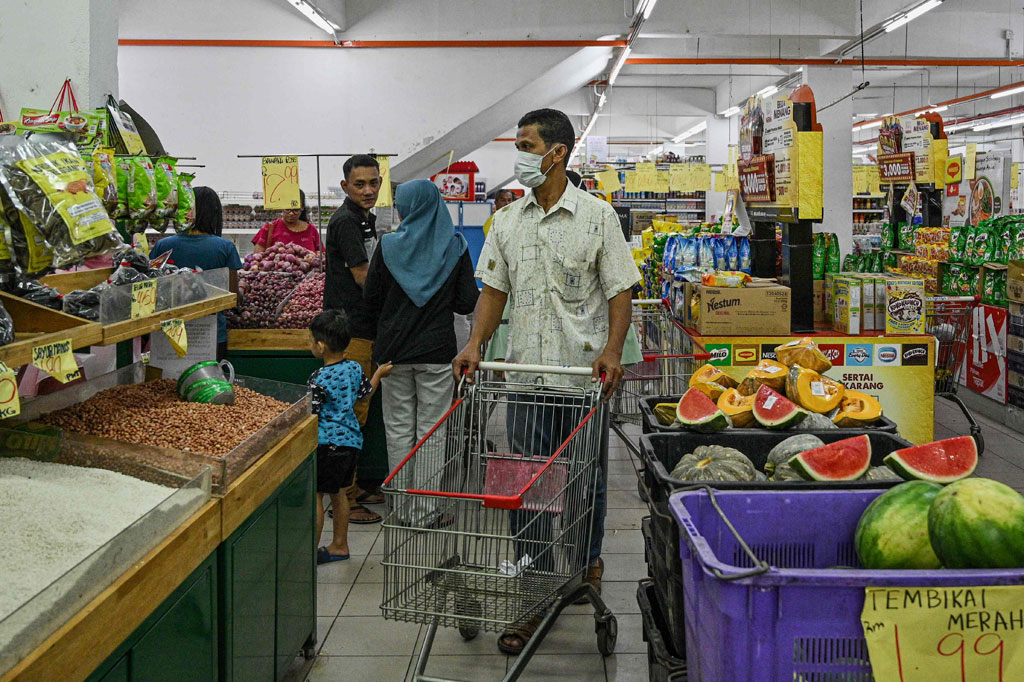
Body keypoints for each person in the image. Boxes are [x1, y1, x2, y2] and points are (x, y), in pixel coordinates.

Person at [452, 108, 640, 655]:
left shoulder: (598, 217)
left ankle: (584, 564)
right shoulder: (508, 221)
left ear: (557, 153)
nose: (519, 155)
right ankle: (534, 586)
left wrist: (611, 352)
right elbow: (494, 291)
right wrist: (475, 343)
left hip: (582, 380)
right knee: (529, 486)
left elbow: (620, 291)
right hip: (526, 378)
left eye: (526, 145)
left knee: (585, 482)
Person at [363, 180, 479, 522]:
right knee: (432, 433)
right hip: (436, 352)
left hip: (393, 354)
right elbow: (466, 302)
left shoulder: (388, 246)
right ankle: (425, 512)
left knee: (398, 429)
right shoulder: (455, 246)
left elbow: (370, 300)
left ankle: (399, 509)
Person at [324, 154, 384, 524]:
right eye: (359, 184)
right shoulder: (346, 220)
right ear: (346, 186)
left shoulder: (363, 218)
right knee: (350, 414)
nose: (368, 190)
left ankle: (355, 486)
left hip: (361, 325)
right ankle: (343, 497)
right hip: (351, 330)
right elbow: (363, 275)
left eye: (373, 182)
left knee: (359, 410)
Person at [308, 310, 392, 564]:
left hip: (327, 443)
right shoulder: (354, 368)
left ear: (321, 346)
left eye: (311, 340)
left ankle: (309, 555)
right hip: (351, 442)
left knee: (317, 496)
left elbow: (312, 414)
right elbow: (365, 395)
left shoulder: (318, 378)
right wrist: (378, 374)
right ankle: (339, 545)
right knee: (341, 494)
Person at [150, 186, 243, 360]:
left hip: (170, 331)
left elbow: (151, 289)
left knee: (167, 376)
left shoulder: (163, 246)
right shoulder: (225, 248)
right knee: (208, 376)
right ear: (215, 214)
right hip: (211, 333)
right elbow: (232, 295)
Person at [252, 189, 322, 253]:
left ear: (302, 207)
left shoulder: (311, 230)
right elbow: (257, 257)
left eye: (296, 210)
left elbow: (322, 255)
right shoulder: (269, 228)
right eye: (287, 209)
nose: (291, 213)